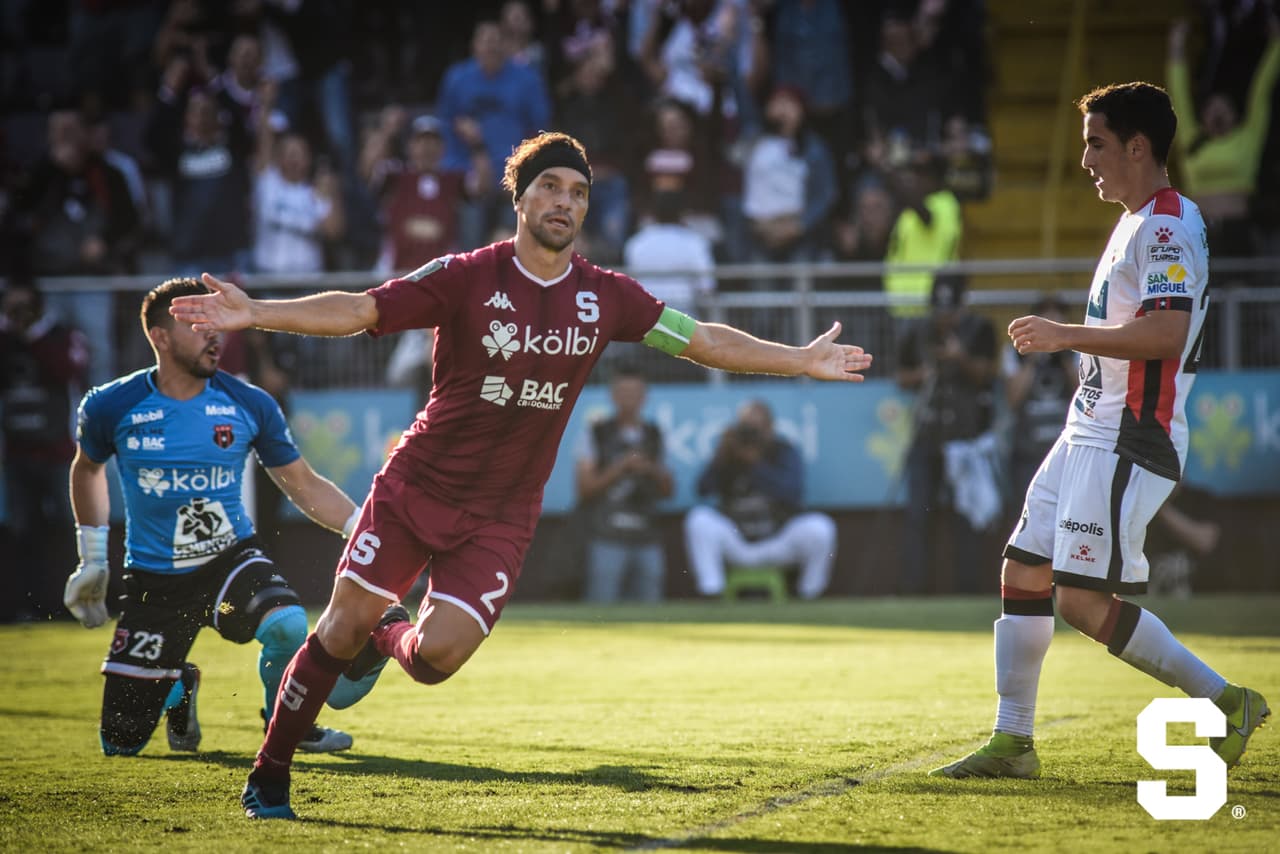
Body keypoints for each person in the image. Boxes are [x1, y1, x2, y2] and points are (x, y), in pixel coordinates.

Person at [168, 130, 873, 819]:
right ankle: (270, 775)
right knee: (335, 631)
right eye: (549, 187)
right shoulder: (465, 276)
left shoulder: (608, 297)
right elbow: (363, 309)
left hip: (503, 513)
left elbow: (705, 340)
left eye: (577, 192)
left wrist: (799, 358)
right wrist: (257, 312)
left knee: (435, 659)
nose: (564, 202)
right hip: (417, 488)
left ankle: (390, 630)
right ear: (520, 198)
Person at [931, 82, 1269, 780]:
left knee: (1082, 600)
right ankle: (1013, 739)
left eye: (1096, 143)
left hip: (1130, 437)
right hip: (1088, 431)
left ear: (1138, 148)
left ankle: (1225, 700)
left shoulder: (1167, 226)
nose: (1086, 159)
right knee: (1023, 569)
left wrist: (1062, 334)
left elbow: (1167, 332)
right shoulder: (1136, 220)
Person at [62, 278, 359, 759]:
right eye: (199, 326)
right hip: (154, 581)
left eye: (218, 325)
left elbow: (303, 484)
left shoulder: (250, 402)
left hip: (229, 564)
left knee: (285, 625)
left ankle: (288, 726)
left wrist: (365, 531)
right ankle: (178, 686)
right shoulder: (109, 405)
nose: (215, 335)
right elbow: (87, 469)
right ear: (159, 337)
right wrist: (92, 559)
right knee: (118, 745)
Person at [895, 273, 998, 594]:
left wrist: (960, 358)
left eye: (950, 310)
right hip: (926, 434)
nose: (944, 318)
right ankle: (915, 590)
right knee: (918, 516)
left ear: (962, 306)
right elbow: (900, 376)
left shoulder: (981, 329)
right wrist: (922, 374)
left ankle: (968, 589)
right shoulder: (916, 331)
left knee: (966, 517)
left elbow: (988, 375)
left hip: (965, 438)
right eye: (939, 310)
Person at [684, 399, 837, 600]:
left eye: (758, 428)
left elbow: (793, 492)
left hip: (777, 540)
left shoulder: (783, 451)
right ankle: (711, 591)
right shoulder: (729, 454)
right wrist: (721, 456)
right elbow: (702, 490)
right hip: (737, 540)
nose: (752, 435)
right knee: (699, 519)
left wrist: (756, 466)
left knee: (820, 527)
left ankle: (810, 594)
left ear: (770, 427)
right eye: (747, 428)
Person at [0, 280, 89, 621]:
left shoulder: (60, 335)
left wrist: (34, 334)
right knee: (22, 534)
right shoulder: (6, 343)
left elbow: (68, 369)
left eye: (24, 307)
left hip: (60, 454)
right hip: (17, 453)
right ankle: (22, 606)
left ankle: (69, 605)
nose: (18, 314)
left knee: (70, 531)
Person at [575, 366, 673, 603]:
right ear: (613, 396)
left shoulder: (655, 434)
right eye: (623, 393)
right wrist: (620, 468)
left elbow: (669, 490)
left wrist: (648, 469)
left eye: (635, 393)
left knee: (651, 605)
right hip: (606, 534)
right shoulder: (594, 433)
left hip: (647, 534)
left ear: (645, 397)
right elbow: (584, 489)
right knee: (602, 604)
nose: (629, 399)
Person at [1001, 293, 1078, 507]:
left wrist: (1063, 352)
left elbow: (1086, 394)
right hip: (1027, 452)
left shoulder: (1078, 353)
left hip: (1066, 452)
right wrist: (1033, 356)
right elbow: (1012, 399)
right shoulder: (1015, 352)